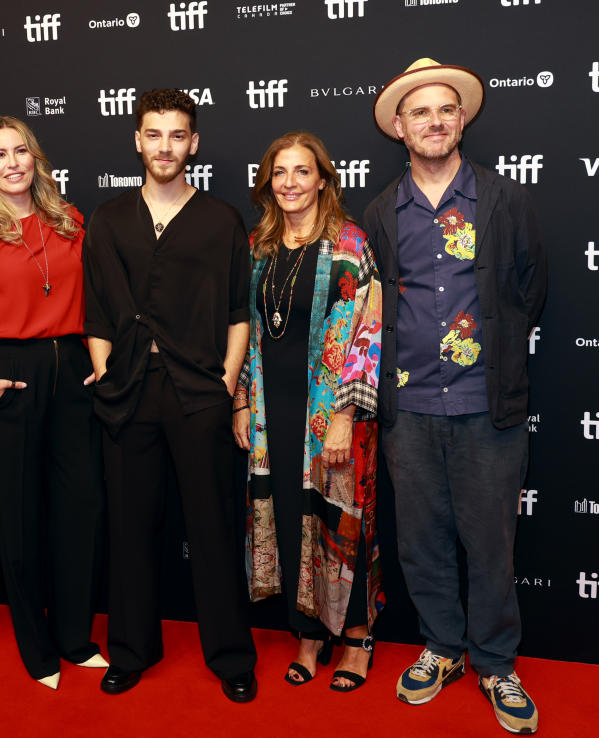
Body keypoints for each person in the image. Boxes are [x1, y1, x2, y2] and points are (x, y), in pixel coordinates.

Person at [363, 59, 546, 734]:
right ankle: (442, 647)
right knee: (420, 540)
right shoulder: (382, 211)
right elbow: (377, 300)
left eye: (445, 110)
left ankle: (496, 662)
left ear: (461, 119)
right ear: (399, 128)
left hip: (483, 404)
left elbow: (529, 290)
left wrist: (488, 352)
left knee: (491, 541)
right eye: (419, 112)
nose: (434, 121)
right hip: (407, 407)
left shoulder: (503, 199)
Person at [83, 88, 258, 702]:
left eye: (177, 135)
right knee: (129, 529)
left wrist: (228, 382)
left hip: (199, 392)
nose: (165, 146)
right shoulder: (107, 219)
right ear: (137, 140)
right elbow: (97, 311)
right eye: (154, 134)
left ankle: (232, 656)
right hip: (129, 391)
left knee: (212, 528)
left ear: (194, 142)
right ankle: (130, 650)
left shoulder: (221, 219)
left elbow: (240, 311)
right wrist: (105, 373)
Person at [0, 116, 106, 690]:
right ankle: (36, 648)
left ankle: (75, 637)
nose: (13, 162)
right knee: (17, 516)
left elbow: (97, 303)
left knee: (80, 510)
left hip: (72, 370)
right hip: (9, 374)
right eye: (0, 154)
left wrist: (99, 361)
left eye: (22, 151)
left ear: (37, 159)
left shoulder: (72, 223)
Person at [233, 132, 383, 692]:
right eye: (280, 173)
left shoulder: (349, 244)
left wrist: (346, 412)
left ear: (323, 178)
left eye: (302, 171)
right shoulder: (259, 247)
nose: (291, 183)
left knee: (342, 521)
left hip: (331, 414)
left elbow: (369, 334)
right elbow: (245, 330)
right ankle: (309, 633)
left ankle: (356, 637)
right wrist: (243, 399)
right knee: (290, 513)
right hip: (276, 410)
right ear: (269, 183)